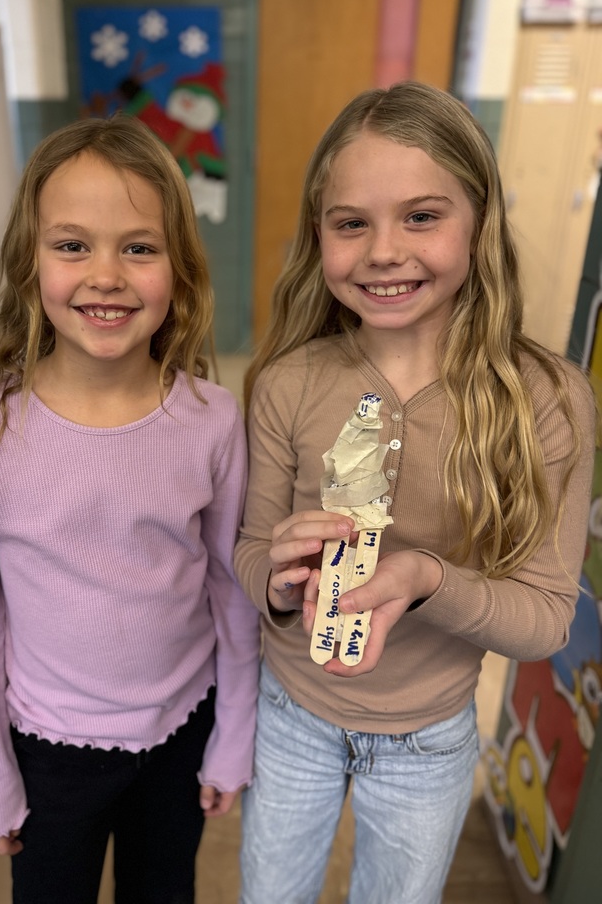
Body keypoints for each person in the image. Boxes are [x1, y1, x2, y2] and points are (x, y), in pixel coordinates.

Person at [234, 81, 596, 904]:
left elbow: (544, 619)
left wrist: (427, 579)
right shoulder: (288, 383)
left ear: (480, 222)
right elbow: (252, 551)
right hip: (291, 714)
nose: (383, 251)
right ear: (318, 233)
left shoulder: (544, 401)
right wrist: (278, 581)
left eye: (422, 217)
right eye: (351, 223)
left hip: (428, 740)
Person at [0, 114, 259, 904]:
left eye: (139, 248)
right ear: (29, 261)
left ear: (179, 269)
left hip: (181, 733)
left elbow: (232, 590)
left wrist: (233, 735)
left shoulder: (213, 421)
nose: (106, 275)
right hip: (48, 753)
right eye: (73, 245)